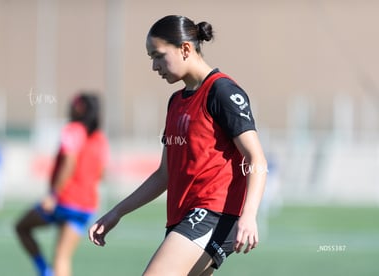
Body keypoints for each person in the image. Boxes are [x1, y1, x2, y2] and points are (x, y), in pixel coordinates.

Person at [89, 15, 267, 275]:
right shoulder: (176, 102)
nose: (154, 66)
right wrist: (117, 212)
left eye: (158, 55)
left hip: (212, 215)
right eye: (151, 57)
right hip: (182, 218)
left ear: (185, 48)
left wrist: (249, 216)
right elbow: (165, 174)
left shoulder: (222, 92)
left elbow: (256, 159)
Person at [16, 93, 109, 276]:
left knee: (22, 227)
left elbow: (69, 163)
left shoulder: (73, 129)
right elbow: (102, 173)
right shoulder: (99, 138)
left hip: (65, 202)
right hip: (86, 206)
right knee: (63, 257)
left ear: (80, 109)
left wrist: (53, 195)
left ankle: (44, 270)